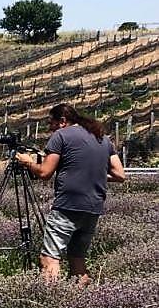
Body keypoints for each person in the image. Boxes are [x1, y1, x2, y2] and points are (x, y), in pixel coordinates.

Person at [15, 103, 125, 285]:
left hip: (68, 206)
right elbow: (120, 175)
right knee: (77, 259)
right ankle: (82, 303)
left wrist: (27, 162)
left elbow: (44, 173)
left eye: (51, 122)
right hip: (93, 208)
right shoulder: (102, 138)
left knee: (49, 258)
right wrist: (90, 173)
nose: (49, 128)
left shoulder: (61, 136)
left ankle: (51, 304)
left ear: (62, 121)